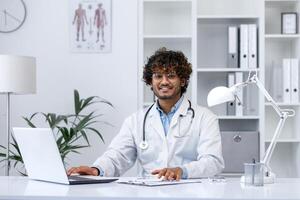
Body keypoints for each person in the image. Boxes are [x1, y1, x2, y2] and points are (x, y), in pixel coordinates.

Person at [67, 48, 224, 180]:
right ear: (150, 81)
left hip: (190, 193)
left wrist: (181, 171)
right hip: (149, 193)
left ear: (182, 81)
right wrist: (96, 170)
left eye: (171, 75)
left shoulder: (205, 118)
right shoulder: (136, 121)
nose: (164, 82)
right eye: (158, 76)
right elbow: (117, 156)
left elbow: (213, 162)